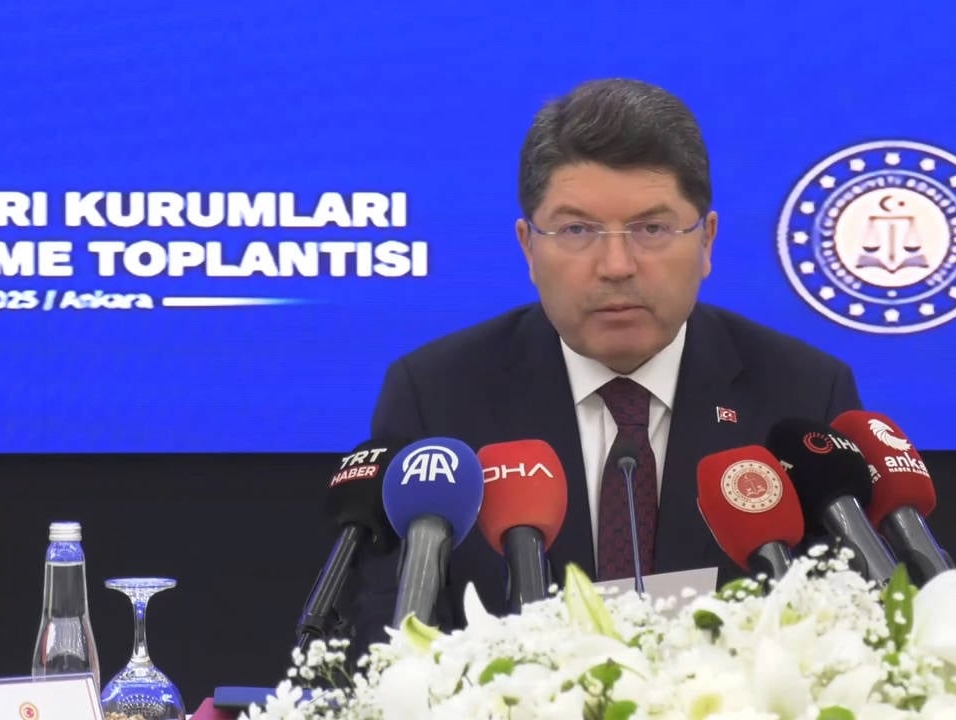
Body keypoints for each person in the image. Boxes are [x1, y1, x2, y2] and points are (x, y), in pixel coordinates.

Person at [337, 77, 863, 657]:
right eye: (577, 230)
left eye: (652, 228)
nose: (616, 265)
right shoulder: (435, 395)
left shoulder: (804, 393)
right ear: (528, 247)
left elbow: (848, 629)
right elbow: (389, 639)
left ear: (707, 241)